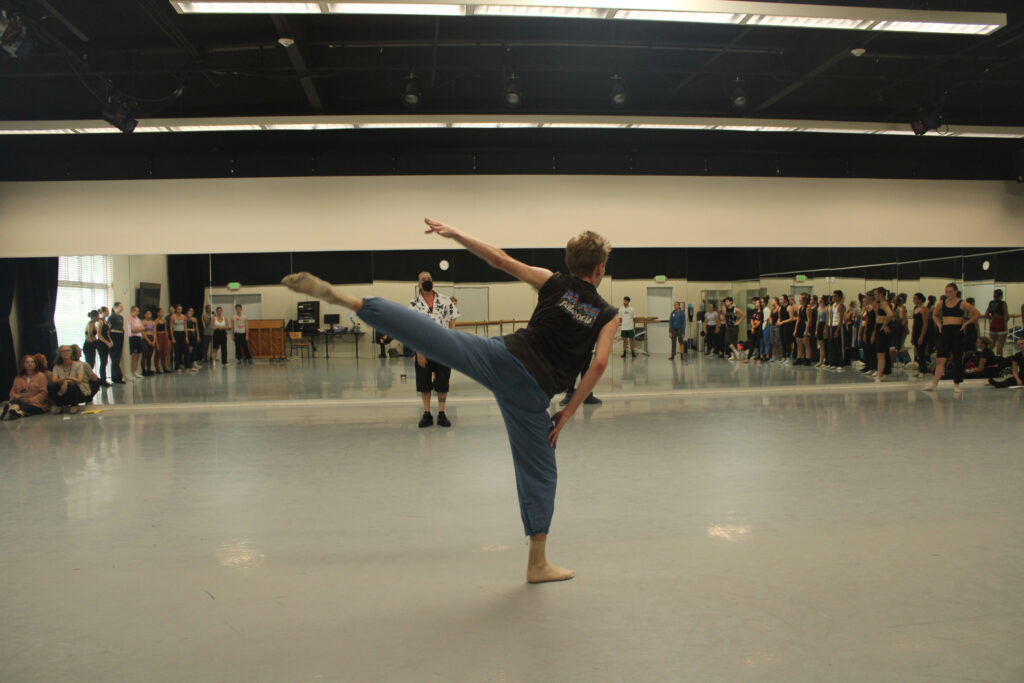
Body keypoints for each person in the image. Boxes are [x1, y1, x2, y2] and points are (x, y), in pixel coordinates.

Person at [280, 218, 620, 584]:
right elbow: (598, 364)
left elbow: (501, 260)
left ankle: (355, 302)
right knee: (540, 472)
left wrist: (456, 234)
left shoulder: (554, 282)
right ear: (600, 268)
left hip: (503, 355)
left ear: (571, 263)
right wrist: (567, 412)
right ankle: (537, 564)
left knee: (437, 340)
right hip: (533, 392)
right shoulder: (607, 313)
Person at [408, 271, 457, 428]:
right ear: (419, 284)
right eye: (423, 279)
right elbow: (411, 331)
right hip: (423, 349)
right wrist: (418, 352)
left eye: (429, 278)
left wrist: (451, 343)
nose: (427, 281)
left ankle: (442, 413)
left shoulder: (445, 301)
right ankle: (427, 413)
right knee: (424, 384)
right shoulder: (413, 305)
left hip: (443, 349)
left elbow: (451, 321)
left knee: (443, 383)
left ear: (433, 282)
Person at [923, 283, 980, 395]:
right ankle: (934, 383)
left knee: (957, 358)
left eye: (950, 292)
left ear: (955, 292)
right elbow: (934, 315)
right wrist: (939, 325)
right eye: (946, 292)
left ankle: (956, 384)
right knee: (941, 358)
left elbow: (976, 314)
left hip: (957, 331)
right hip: (945, 331)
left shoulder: (962, 303)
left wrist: (965, 324)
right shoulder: (941, 303)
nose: (948, 294)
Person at [2, 355, 50, 421]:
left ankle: (15, 412)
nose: (30, 364)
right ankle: (12, 410)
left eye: (32, 362)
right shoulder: (18, 377)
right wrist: (18, 396)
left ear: (35, 364)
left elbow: (43, 393)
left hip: (36, 404)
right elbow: (13, 392)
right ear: (23, 365)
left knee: (29, 407)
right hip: (21, 401)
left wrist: (30, 400)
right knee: (14, 402)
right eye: (27, 362)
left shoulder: (41, 376)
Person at [48, 345, 90, 414]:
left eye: (68, 350)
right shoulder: (57, 366)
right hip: (63, 392)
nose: (66, 353)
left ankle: (74, 405)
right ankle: (59, 405)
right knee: (51, 385)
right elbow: (54, 380)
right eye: (63, 351)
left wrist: (66, 381)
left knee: (71, 384)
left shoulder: (78, 365)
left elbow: (79, 380)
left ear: (71, 352)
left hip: (78, 392)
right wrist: (65, 381)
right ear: (60, 354)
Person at [910, 293, 931, 379]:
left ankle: (923, 370)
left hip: (922, 332)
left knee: (922, 352)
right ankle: (920, 369)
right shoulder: (916, 309)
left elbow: (925, 324)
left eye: (915, 298)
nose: (913, 300)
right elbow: (914, 323)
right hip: (916, 332)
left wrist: (921, 336)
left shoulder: (924, 309)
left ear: (920, 299)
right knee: (918, 352)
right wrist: (912, 335)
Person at [985, 289, 1009, 357]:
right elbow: (1007, 316)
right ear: (1001, 295)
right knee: (1000, 345)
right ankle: (999, 360)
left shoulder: (991, 303)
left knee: (992, 344)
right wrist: (1005, 322)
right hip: (1001, 323)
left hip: (993, 323)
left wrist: (992, 319)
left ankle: (987, 357)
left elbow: (986, 315)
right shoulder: (1003, 303)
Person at [722, 296, 745, 361]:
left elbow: (744, 315)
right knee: (727, 341)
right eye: (725, 301)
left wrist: (738, 322)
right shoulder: (725, 309)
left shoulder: (735, 309)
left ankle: (733, 355)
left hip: (734, 327)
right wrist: (725, 323)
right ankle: (735, 352)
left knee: (733, 341)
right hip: (728, 327)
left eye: (727, 301)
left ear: (731, 302)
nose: (726, 303)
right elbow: (724, 316)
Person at [94, 307, 113, 386]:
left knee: (105, 361)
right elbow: (99, 334)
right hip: (101, 343)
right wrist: (106, 342)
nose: (108, 312)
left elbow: (107, 333)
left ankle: (104, 380)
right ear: (103, 312)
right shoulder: (100, 321)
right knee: (103, 361)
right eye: (107, 311)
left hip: (106, 342)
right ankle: (102, 380)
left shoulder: (106, 322)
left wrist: (110, 341)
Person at [108, 302, 125, 384]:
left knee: (118, 357)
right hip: (114, 336)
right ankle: (118, 377)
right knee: (114, 357)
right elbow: (108, 329)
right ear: (115, 307)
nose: (122, 308)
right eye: (120, 307)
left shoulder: (121, 317)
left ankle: (115, 377)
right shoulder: (112, 317)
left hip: (120, 336)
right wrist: (109, 339)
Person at [170, 304, 188, 372]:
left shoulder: (184, 317)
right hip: (176, 333)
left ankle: (187, 365)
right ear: (176, 309)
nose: (179, 310)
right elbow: (171, 328)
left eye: (180, 309)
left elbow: (185, 327)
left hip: (182, 333)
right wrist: (173, 338)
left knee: (185, 350)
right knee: (176, 351)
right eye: (178, 309)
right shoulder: (173, 317)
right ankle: (177, 367)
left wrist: (186, 337)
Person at [128, 306, 144, 381]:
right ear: (132, 311)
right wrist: (139, 328)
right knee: (134, 355)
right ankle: (131, 373)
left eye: (138, 311)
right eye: (136, 311)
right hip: (133, 338)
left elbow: (143, 327)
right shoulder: (130, 319)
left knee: (138, 355)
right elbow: (133, 329)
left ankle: (135, 371)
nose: (137, 313)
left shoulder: (138, 319)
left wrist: (139, 329)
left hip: (138, 338)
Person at [154, 308, 170, 374]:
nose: (162, 313)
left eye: (163, 312)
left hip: (164, 336)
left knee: (164, 352)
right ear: (158, 313)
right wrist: (156, 341)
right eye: (161, 312)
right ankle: (157, 368)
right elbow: (154, 331)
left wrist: (167, 339)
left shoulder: (164, 321)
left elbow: (166, 330)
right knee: (158, 352)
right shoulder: (156, 321)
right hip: (158, 335)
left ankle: (164, 367)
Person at [141, 310, 156, 376]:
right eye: (147, 313)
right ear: (145, 315)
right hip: (145, 339)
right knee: (144, 355)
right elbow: (143, 332)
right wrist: (148, 341)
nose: (149, 315)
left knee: (149, 356)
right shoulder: (143, 322)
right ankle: (143, 371)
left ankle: (149, 370)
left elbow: (154, 332)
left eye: (150, 313)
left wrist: (154, 341)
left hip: (151, 337)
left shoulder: (153, 322)